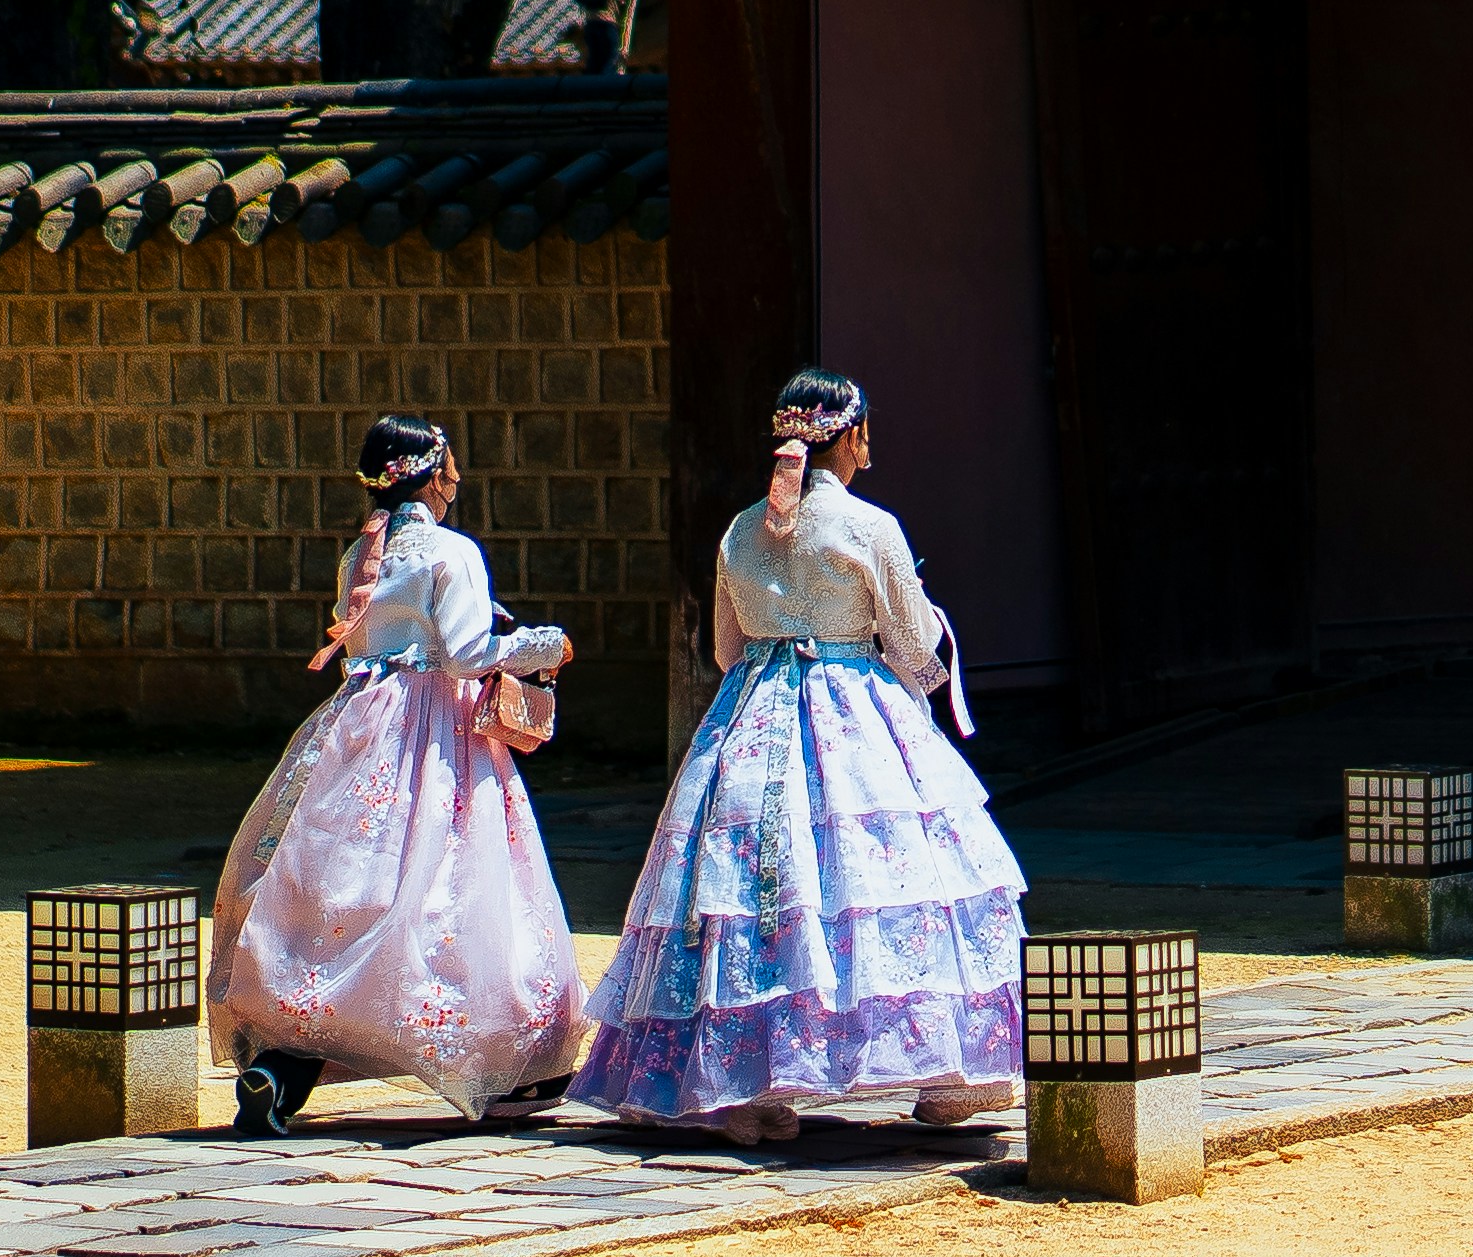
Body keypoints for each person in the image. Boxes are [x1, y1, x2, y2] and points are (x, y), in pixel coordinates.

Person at [582, 368, 1027, 1142]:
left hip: (751, 713)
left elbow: (725, 646)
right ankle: (947, 1075)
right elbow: (914, 643)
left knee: (740, 892)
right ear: (851, 435)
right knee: (887, 877)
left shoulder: (739, 528)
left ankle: (737, 1086)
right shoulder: (869, 527)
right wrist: (921, 670)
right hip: (852, 703)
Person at [211, 414, 592, 1130]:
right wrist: (546, 643)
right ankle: (496, 1062)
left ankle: (285, 1065)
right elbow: (469, 652)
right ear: (431, 473)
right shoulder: (451, 552)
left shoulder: (363, 552)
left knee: (344, 878)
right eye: (451, 466)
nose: (457, 479)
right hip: (434, 733)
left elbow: (364, 635)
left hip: (358, 719)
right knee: (450, 880)